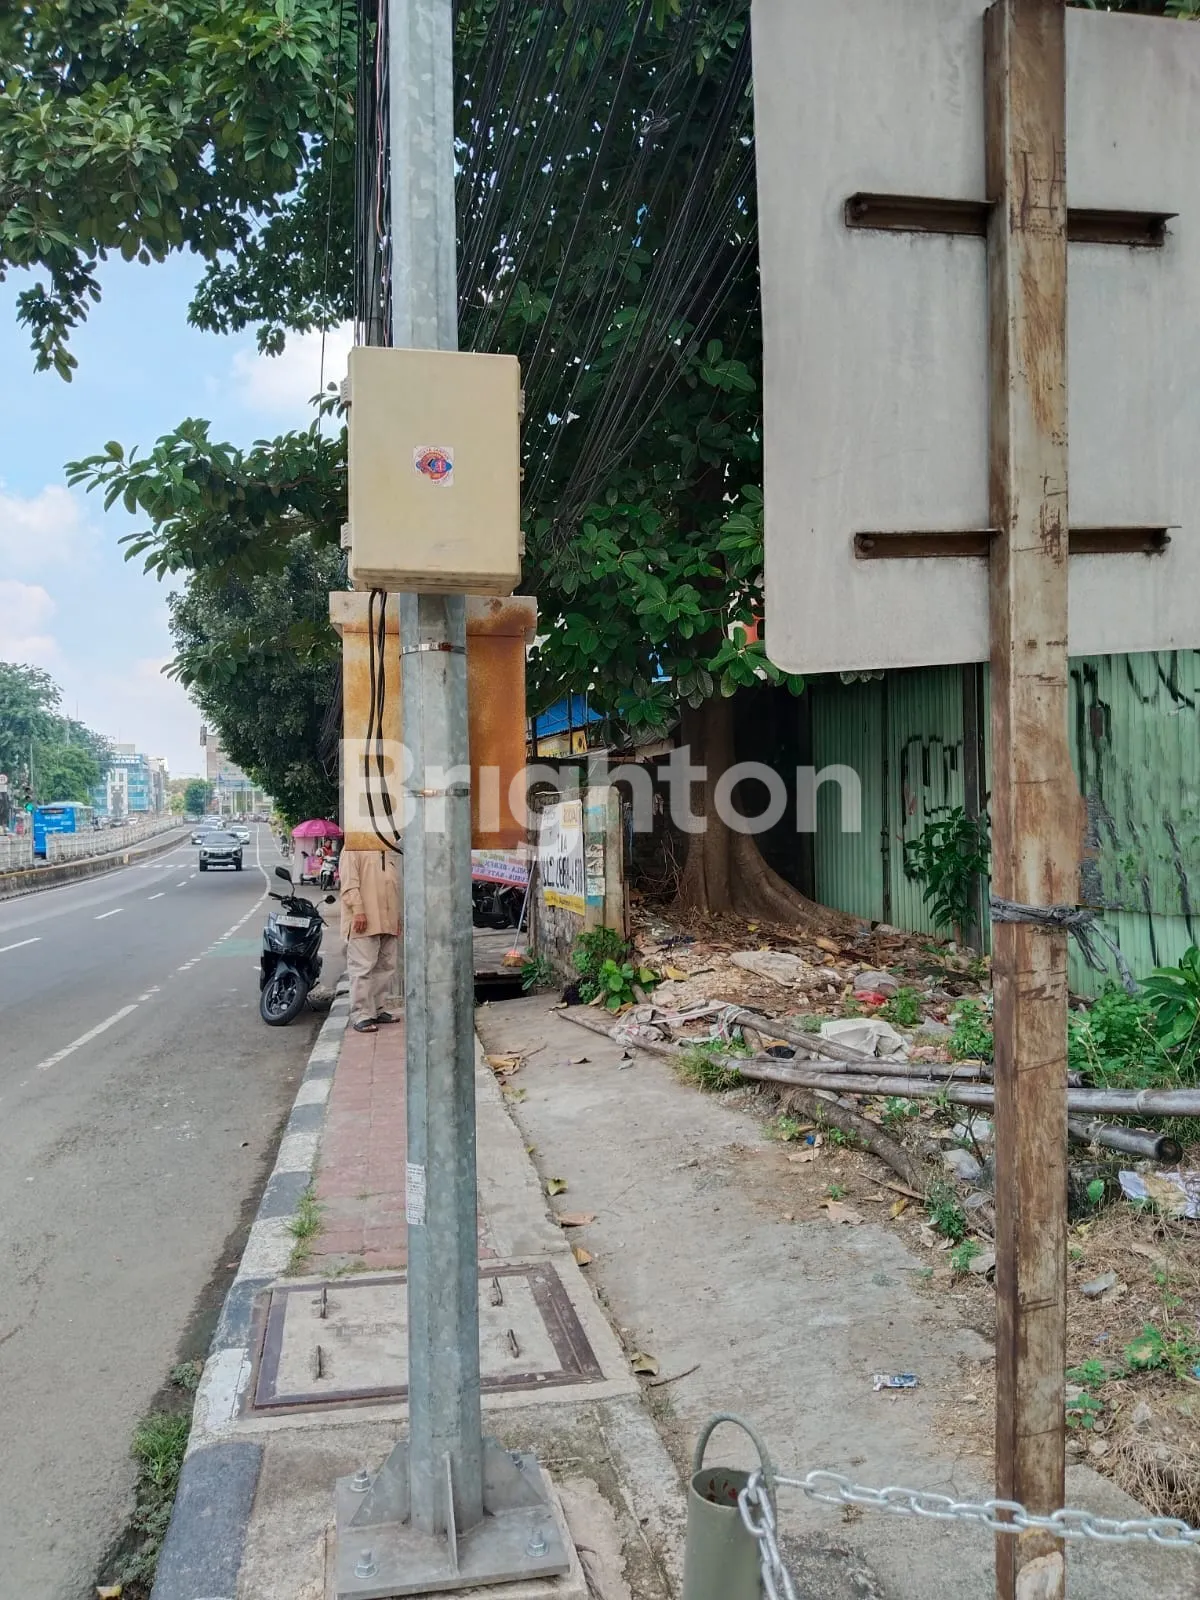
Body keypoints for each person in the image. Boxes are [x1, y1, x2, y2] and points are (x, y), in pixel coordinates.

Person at [339, 847, 403, 1032]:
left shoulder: (386, 848)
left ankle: (378, 1009)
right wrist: (358, 910)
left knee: (385, 967)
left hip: (388, 920)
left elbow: (393, 886)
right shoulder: (353, 846)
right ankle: (361, 1014)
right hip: (364, 919)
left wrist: (396, 918)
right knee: (363, 967)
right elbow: (349, 884)